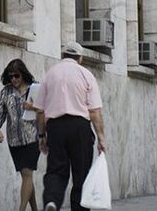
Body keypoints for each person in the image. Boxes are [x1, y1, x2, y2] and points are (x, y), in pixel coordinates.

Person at [33, 42, 106, 211]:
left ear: (62, 56)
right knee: (81, 175)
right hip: (80, 127)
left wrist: (42, 136)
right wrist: (101, 138)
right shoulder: (86, 74)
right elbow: (95, 111)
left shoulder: (50, 75)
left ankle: (51, 201)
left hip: (56, 127)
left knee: (56, 170)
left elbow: (39, 111)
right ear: (80, 58)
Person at [0, 59, 40, 211]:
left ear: (23, 74)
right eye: (11, 76)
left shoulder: (35, 88)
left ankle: (21, 209)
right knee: (27, 176)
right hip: (14, 140)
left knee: (27, 173)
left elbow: (47, 107)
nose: (14, 79)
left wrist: (33, 107)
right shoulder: (6, 91)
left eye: (17, 76)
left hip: (33, 138)